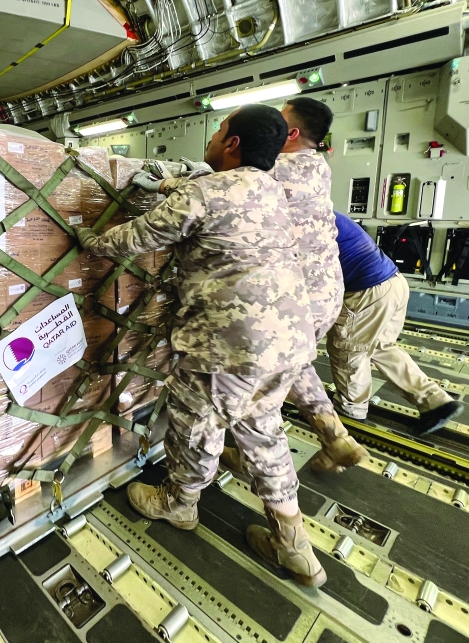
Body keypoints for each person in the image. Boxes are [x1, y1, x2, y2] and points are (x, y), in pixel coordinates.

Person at [76, 104, 328, 587]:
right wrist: (172, 187)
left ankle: (179, 503)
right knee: (264, 430)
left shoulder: (206, 192)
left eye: (218, 131)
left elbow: (139, 235)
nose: (212, 138)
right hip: (289, 344)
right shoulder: (272, 190)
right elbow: (216, 206)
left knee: (196, 423)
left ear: (231, 144)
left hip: (229, 345)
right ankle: (294, 544)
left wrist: (90, 237)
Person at [223, 97, 366, 476]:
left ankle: (254, 459)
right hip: (326, 291)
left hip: (294, 296)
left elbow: (222, 186)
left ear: (294, 133)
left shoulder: (276, 170)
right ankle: (335, 438)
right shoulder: (318, 166)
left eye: (279, 123)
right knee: (296, 366)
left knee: (260, 387)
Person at [328, 212, 463, 432]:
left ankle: (350, 415)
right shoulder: (320, 209)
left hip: (368, 291)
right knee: (381, 347)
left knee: (348, 350)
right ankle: (436, 402)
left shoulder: (298, 216)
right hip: (393, 282)